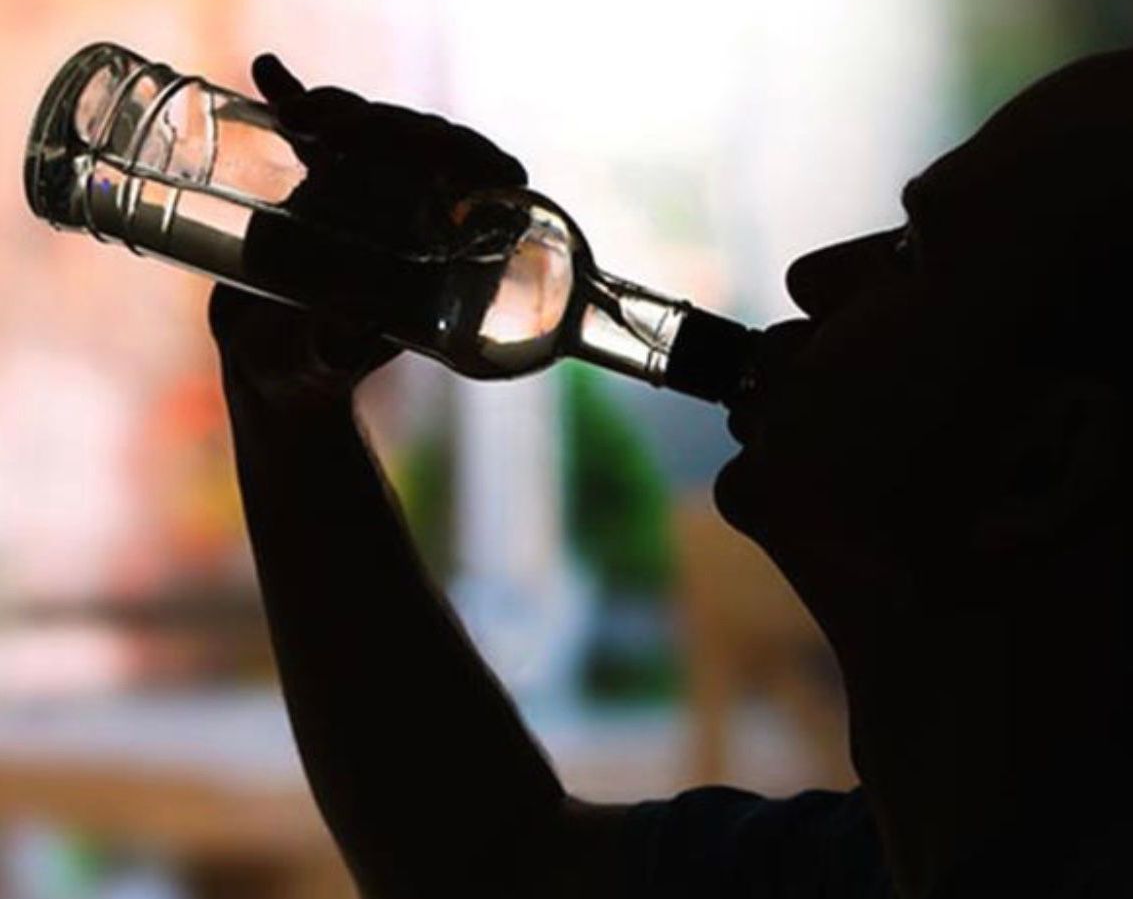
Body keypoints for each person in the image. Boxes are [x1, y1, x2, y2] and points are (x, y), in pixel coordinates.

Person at [209, 50, 1133, 899]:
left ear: (1044, 460)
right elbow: (492, 867)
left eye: (908, 255)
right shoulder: (868, 865)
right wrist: (285, 398)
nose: (814, 275)